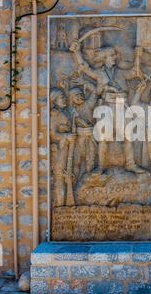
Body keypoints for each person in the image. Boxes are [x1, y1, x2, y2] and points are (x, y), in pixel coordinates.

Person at [69, 40, 144, 173]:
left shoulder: (121, 73)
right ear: (104, 58)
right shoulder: (99, 73)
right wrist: (76, 52)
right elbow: (84, 67)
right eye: (112, 55)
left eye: (115, 55)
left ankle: (130, 164)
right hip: (106, 107)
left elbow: (134, 72)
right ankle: (101, 166)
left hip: (122, 107)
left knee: (127, 137)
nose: (115, 57)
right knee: (103, 138)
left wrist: (138, 56)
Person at [50, 87, 74, 207]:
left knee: (68, 175)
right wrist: (66, 136)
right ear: (54, 100)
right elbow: (53, 134)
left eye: (64, 97)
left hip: (67, 146)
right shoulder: (55, 113)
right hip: (60, 148)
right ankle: (60, 205)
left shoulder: (64, 111)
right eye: (61, 98)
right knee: (60, 177)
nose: (64, 99)